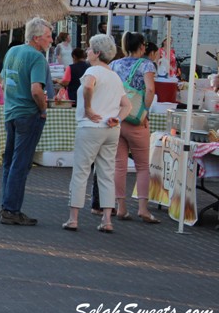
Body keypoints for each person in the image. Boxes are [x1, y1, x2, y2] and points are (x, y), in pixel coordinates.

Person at [62, 35, 131, 233]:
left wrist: (89, 109)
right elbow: (127, 105)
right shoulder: (115, 76)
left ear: (97, 53)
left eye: (90, 49)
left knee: (81, 171)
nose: (87, 51)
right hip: (111, 129)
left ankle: (73, 218)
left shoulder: (92, 71)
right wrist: (118, 118)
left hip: (91, 127)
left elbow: (89, 86)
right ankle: (107, 219)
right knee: (106, 173)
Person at [0, 17, 53, 226]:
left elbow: (4, 83)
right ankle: (11, 209)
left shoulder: (13, 51)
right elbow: (36, 90)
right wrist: (43, 109)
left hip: (11, 112)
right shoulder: (37, 58)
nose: (51, 40)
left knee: (10, 162)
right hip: (28, 114)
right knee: (21, 164)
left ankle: (7, 205)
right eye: (48, 37)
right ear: (37, 38)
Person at [110, 31, 159, 223]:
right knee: (142, 166)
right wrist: (144, 111)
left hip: (118, 118)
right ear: (142, 47)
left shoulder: (115, 64)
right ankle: (143, 209)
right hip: (136, 120)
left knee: (119, 165)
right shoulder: (147, 64)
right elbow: (150, 89)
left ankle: (121, 207)